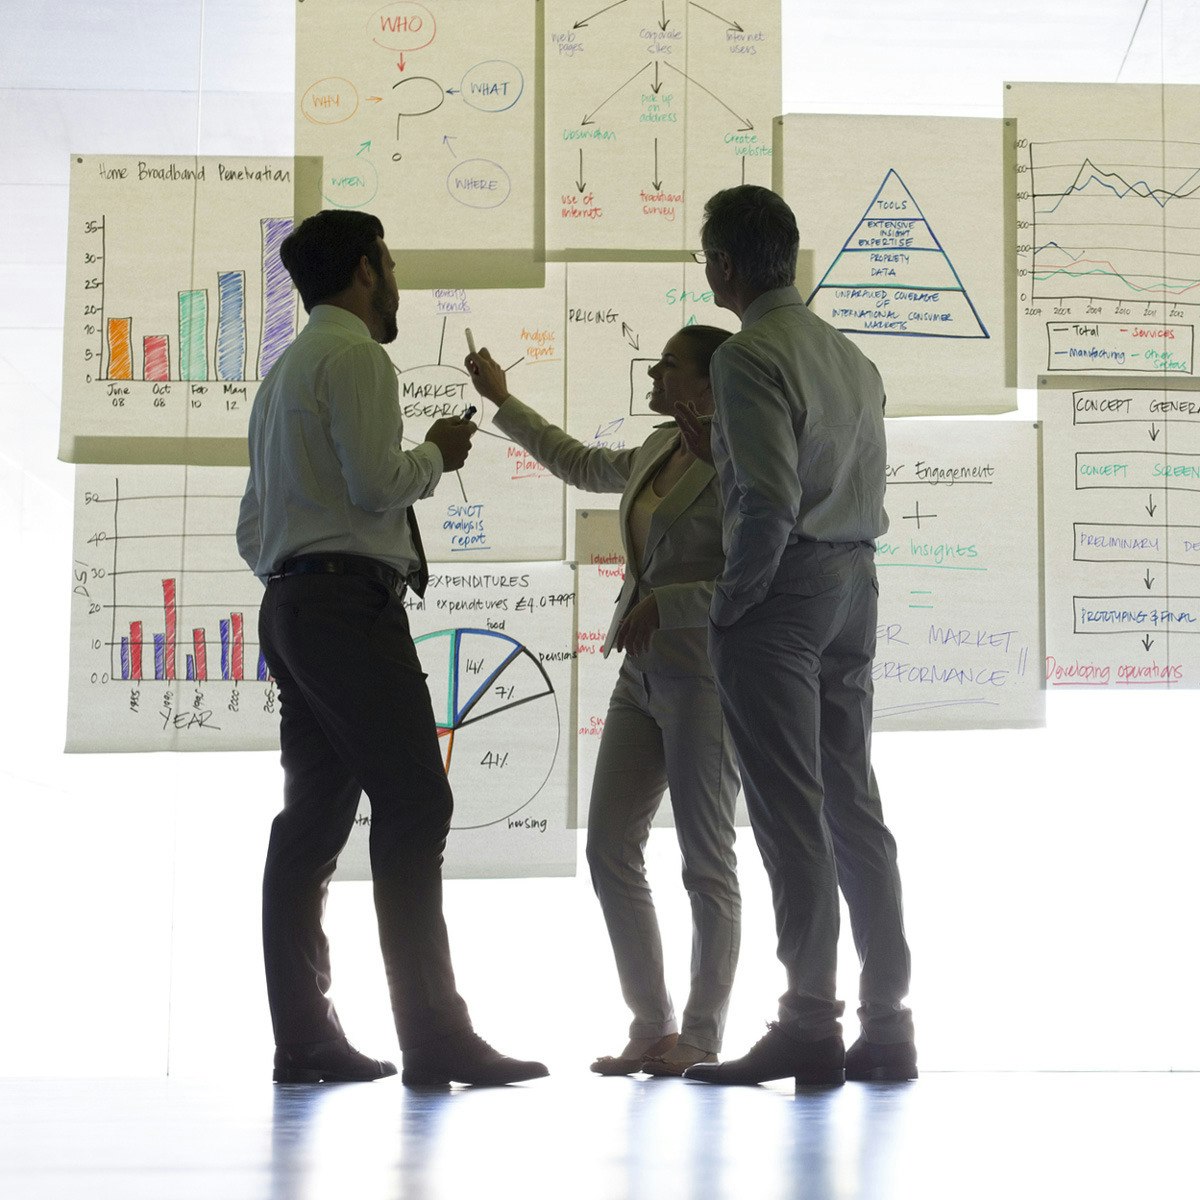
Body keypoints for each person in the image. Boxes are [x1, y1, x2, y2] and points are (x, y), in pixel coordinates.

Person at [237, 208, 547, 1087]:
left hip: (293, 607)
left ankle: (305, 1039)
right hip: (347, 608)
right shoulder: (358, 359)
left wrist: (298, 569)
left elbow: (252, 523)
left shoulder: (286, 373)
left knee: (313, 826)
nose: (398, 278)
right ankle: (435, 1037)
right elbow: (379, 483)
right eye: (393, 261)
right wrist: (440, 454)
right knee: (415, 808)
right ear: (366, 271)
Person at [676, 185, 916, 1087]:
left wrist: (733, 603)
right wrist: (726, 459)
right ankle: (887, 1026)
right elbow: (812, 473)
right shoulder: (848, 356)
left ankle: (810, 1022)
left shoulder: (746, 358)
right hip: (855, 580)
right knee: (853, 806)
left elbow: (771, 503)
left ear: (726, 266)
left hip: (782, 594)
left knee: (787, 814)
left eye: (708, 259)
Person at [465, 326, 742, 1077]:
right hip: (641, 672)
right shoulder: (657, 445)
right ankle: (651, 1025)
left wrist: (676, 602)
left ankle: (703, 1034)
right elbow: (580, 464)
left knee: (706, 861)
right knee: (608, 845)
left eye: (671, 365)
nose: (654, 371)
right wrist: (505, 402)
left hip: (707, 679)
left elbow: (764, 581)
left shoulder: (744, 460)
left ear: (710, 385)